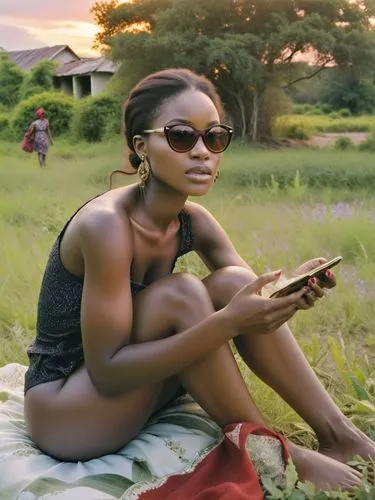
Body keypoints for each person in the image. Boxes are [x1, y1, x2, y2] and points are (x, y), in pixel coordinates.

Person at [24, 69, 374, 491]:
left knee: (233, 282)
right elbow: (107, 372)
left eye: (215, 137)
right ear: (142, 147)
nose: (202, 151)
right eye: (181, 136)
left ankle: (339, 434)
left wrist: (289, 293)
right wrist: (227, 323)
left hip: (133, 386)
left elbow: (249, 300)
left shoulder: (194, 221)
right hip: (67, 411)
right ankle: (281, 454)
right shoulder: (106, 227)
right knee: (182, 292)